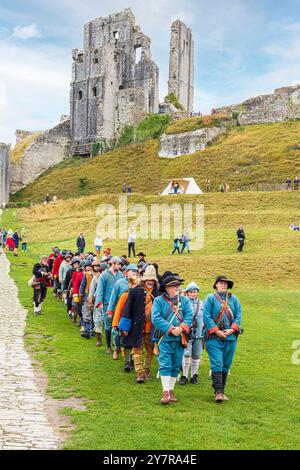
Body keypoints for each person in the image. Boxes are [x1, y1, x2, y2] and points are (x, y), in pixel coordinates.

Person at [151, 272, 193, 405]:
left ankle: (171, 390)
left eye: (177, 286)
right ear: (167, 288)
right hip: (165, 338)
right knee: (165, 364)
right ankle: (165, 391)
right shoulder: (158, 301)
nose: (176, 288)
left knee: (176, 364)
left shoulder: (184, 300)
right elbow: (156, 318)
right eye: (173, 286)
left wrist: (181, 328)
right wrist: (170, 329)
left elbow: (189, 315)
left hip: (180, 338)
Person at [203, 275, 242, 403]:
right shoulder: (210, 299)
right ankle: (218, 391)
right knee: (217, 363)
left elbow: (238, 315)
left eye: (225, 283)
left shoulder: (234, 299)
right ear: (216, 285)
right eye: (221, 283)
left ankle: (222, 390)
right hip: (214, 337)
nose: (223, 285)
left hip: (230, 337)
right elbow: (206, 316)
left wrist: (232, 329)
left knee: (226, 364)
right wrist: (216, 331)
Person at [119, 265, 160, 383]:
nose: (150, 282)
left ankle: (146, 370)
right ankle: (139, 373)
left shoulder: (157, 293)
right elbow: (127, 309)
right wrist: (126, 326)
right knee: (137, 349)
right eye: (148, 279)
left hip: (152, 328)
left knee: (150, 350)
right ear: (144, 280)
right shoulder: (135, 291)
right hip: (137, 326)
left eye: (152, 280)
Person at [106, 263, 139, 360]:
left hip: (133, 314)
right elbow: (113, 298)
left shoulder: (138, 284)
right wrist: (110, 311)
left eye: (135, 272)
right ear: (126, 273)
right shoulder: (119, 283)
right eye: (132, 271)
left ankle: (131, 356)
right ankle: (116, 349)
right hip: (120, 312)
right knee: (116, 332)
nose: (134, 273)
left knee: (131, 333)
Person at [95, 257, 124, 353]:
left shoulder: (120, 274)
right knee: (108, 326)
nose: (120, 266)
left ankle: (117, 345)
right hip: (107, 305)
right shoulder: (104, 275)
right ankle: (108, 346)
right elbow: (100, 290)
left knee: (118, 325)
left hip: (119, 305)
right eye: (118, 264)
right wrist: (100, 303)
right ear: (113, 264)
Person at [179, 283, 204, 385]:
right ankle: (184, 376)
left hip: (199, 333)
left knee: (196, 355)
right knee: (186, 354)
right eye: (191, 292)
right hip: (187, 332)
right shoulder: (184, 303)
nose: (193, 294)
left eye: (195, 292)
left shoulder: (202, 303)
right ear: (187, 293)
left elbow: (205, 317)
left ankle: (194, 376)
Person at [88, 261, 109, 346]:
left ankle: (110, 341)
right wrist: (90, 301)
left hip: (108, 302)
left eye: (105, 270)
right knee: (97, 321)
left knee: (109, 322)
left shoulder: (110, 278)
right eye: (102, 270)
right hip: (98, 302)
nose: (103, 272)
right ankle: (99, 340)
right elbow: (91, 290)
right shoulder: (96, 278)